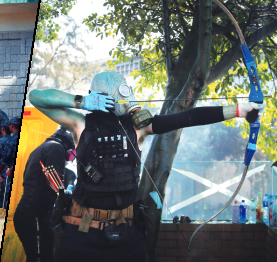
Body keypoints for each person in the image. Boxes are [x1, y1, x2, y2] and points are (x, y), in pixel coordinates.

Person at [28, 70, 266, 261]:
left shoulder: (138, 127)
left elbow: (187, 118)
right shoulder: (80, 123)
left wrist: (238, 110)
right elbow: (36, 97)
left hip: (125, 235)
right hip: (81, 233)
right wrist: (81, 101)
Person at [13, 127, 75, 262]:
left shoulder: (42, 147)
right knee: (41, 258)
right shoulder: (56, 148)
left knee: (39, 256)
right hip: (34, 216)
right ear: (67, 144)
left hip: (31, 214)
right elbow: (56, 183)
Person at [0, 121, 11, 209]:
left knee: (4, 192)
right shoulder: (14, 139)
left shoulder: (0, 141)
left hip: (4, 170)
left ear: (3, 129)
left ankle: (3, 209)